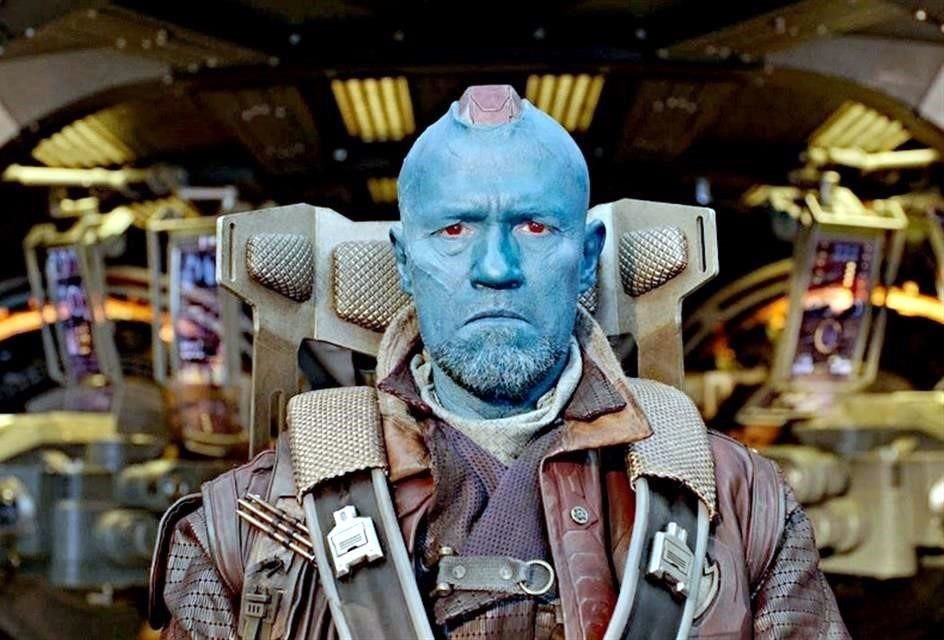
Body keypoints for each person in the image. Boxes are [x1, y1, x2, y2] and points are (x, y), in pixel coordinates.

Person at [149, 85, 849, 639]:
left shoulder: (740, 504)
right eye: (455, 229)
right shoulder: (246, 524)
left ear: (586, 257)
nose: (496, 268)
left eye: (535, 226)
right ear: (404, 263)